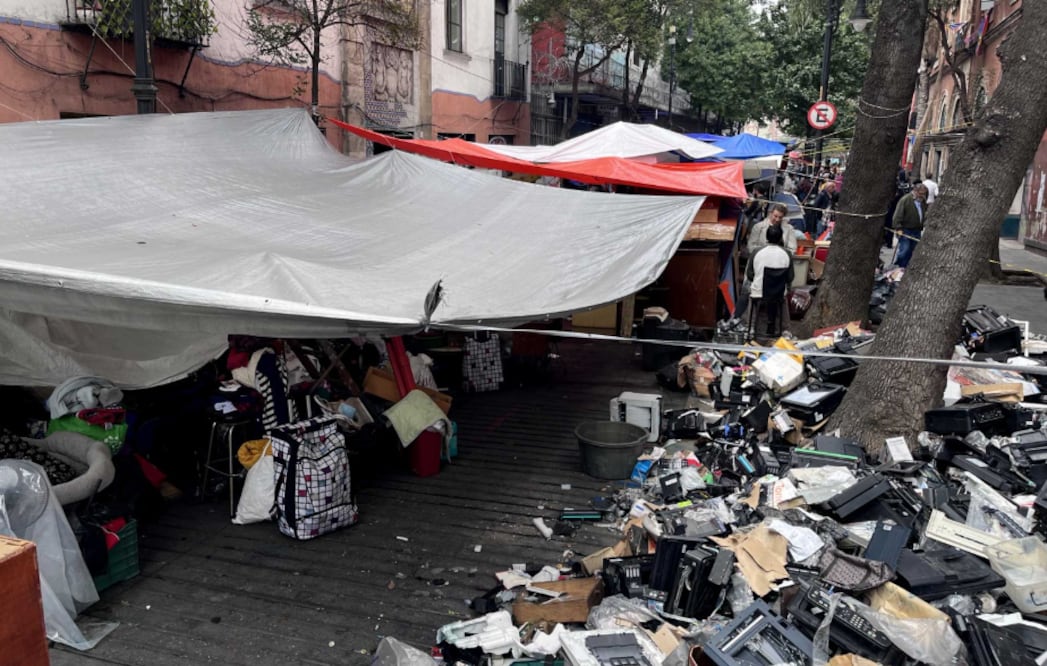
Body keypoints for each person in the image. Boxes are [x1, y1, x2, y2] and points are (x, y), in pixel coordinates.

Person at [745, 224, 794, 335]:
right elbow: (790, 277)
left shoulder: (756, 252)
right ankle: (785, 330)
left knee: (752, 296)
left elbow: (749, 274)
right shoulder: (787, 254)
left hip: (759, 292)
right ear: (781, 237)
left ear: (766, 237)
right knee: (783, 298)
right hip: (778, 293)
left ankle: (750, 327)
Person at [892, 183, 929, 268]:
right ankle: (899, 267)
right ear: (915, 191)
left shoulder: (922, 201)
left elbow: (923, 213)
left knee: (914, 251)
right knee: (905, 250)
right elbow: (897, 215)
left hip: (917, 230)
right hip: (906, 230)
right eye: (921, 193)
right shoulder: (906, 199)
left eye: (924, 193)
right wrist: (898, 228)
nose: (922, 195)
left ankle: (907, 267)